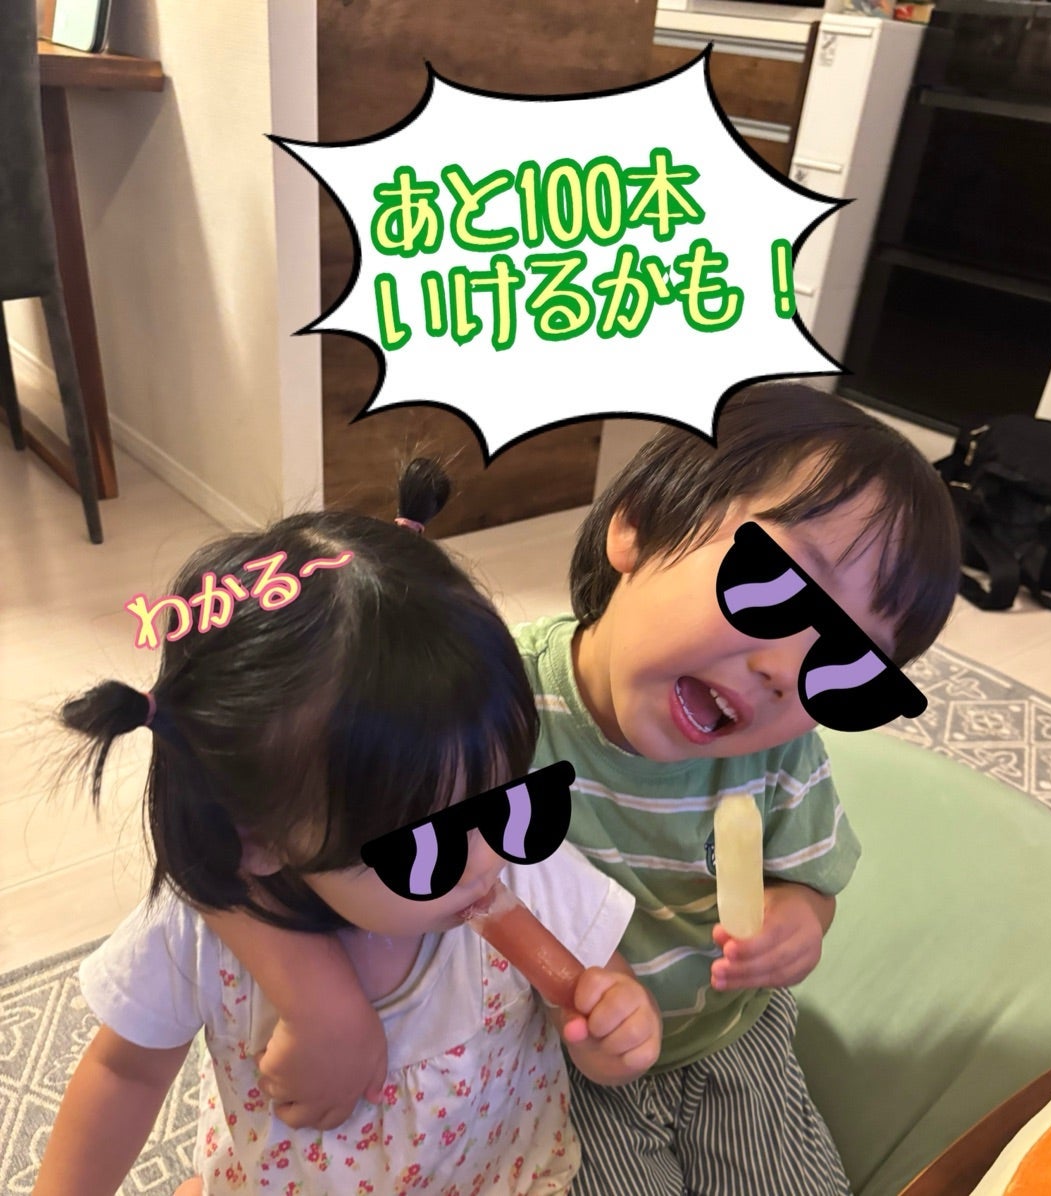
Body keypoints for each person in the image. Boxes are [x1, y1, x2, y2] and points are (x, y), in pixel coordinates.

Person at [130, 383, 961, 1195]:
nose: (786, 671)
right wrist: (319, 1002)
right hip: (554, 1050)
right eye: (775, 586)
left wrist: (799, 921)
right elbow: (238, 824)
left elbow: (809, 878)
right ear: (637, 523)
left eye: (846, 663)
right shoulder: (487, 704)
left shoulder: (784, 756)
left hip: (731, 1037)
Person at [32, 461, 661, 1196]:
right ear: (260, 838)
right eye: (427, 846)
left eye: (510, 799)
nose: (487, 857)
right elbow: (125, 1072)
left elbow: (596, 983)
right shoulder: (195, 938)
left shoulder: (527, 868)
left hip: (500, 1177)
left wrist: (612, 1028)